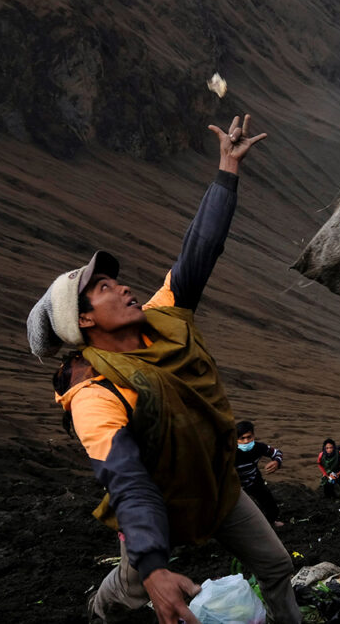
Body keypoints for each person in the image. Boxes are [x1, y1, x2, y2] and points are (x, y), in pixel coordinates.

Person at [29, 115, 301, 624]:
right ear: (83, 320)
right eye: (104, 287)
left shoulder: (164, 317)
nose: (122, 287)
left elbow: (199, 249)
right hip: (161, 507)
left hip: (216, 486)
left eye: (116, 279)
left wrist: (226, 170)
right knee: (138, 589)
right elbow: (127, 480)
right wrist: (154, 564)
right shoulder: (94, 395)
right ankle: (102, 606)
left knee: (277, 565)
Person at [235, 421, 285, 528]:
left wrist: (277, 461)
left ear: (253, 435)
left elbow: (277, 452)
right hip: (234, 484)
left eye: (249, 437)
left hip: (253, 479)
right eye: (242, 438)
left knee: (268, 501)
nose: (246, 441)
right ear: (236, 440)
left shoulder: (258, 447)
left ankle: (271, 522)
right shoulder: (230, 452)